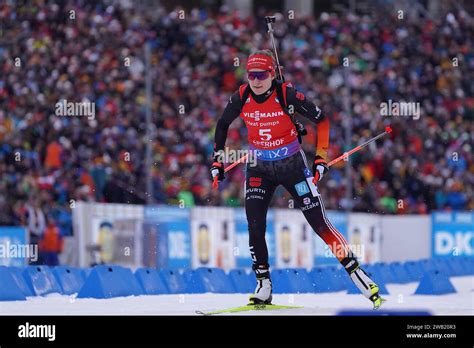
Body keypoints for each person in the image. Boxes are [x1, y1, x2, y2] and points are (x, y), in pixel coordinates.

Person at [211, 49, 384, 309]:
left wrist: (321, 158)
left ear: (271, 74)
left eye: (261, 75)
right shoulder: (242, 96)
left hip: (291, 165)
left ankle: (357, 273)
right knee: (255, 224)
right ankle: (263, 285)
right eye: (251, 75)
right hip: (258, 167)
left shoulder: (286, 95)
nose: (256, 80)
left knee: (319, 223)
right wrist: (217, 160)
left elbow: (322, 121)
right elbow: (222, 125)